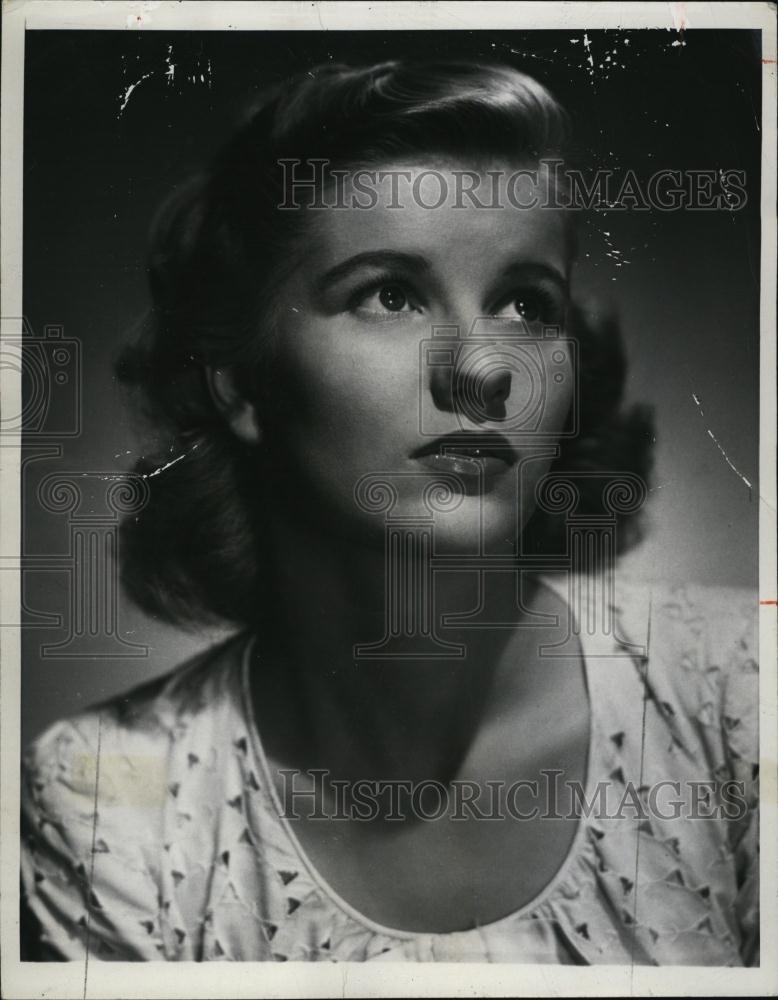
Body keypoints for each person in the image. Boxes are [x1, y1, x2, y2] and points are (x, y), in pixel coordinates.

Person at [20, 60, 758, 964]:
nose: (483, 370)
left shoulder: (741, 699)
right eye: (392, 294)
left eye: (527, 304)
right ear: (243, 380)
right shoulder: (107, 802)